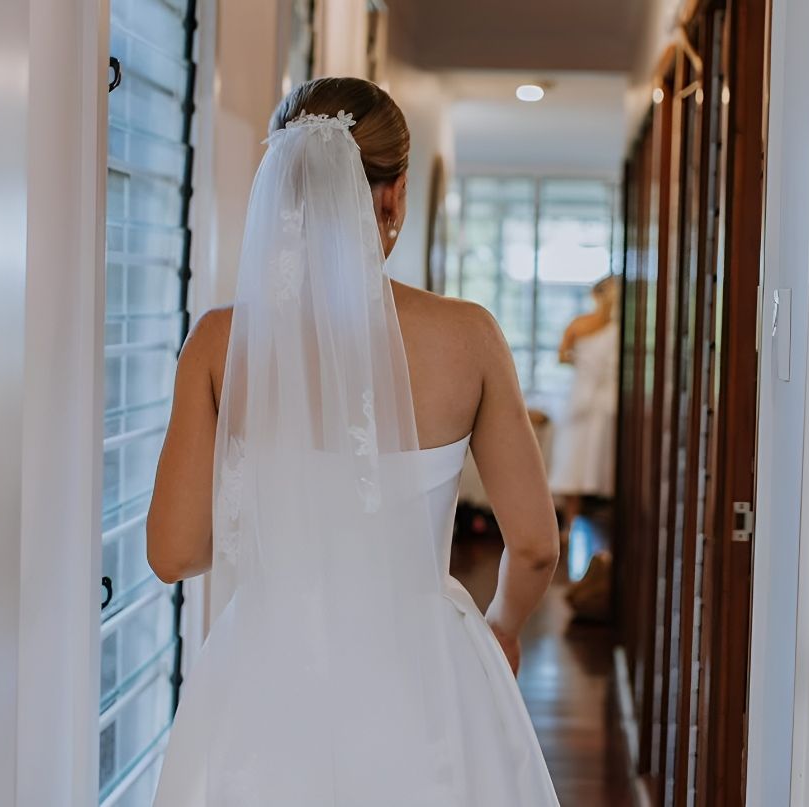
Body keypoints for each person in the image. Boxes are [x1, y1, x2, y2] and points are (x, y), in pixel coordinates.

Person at [145, 78, 561, 806]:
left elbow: (174, 551)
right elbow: (533, 545)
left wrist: (280, 518)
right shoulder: (469, 339)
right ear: (392, 196)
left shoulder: (219, 344)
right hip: (424, 673)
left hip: (267, 678)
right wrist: (501, 625)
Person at [550, 275, 620, 538]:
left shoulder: (619, 328)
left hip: (608, 400)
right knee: (574, 460)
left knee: (603, 457)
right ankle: (571, 524)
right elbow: (562, 355)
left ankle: (603, 525)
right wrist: (585, 367)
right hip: (582, 398)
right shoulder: (579, 324)